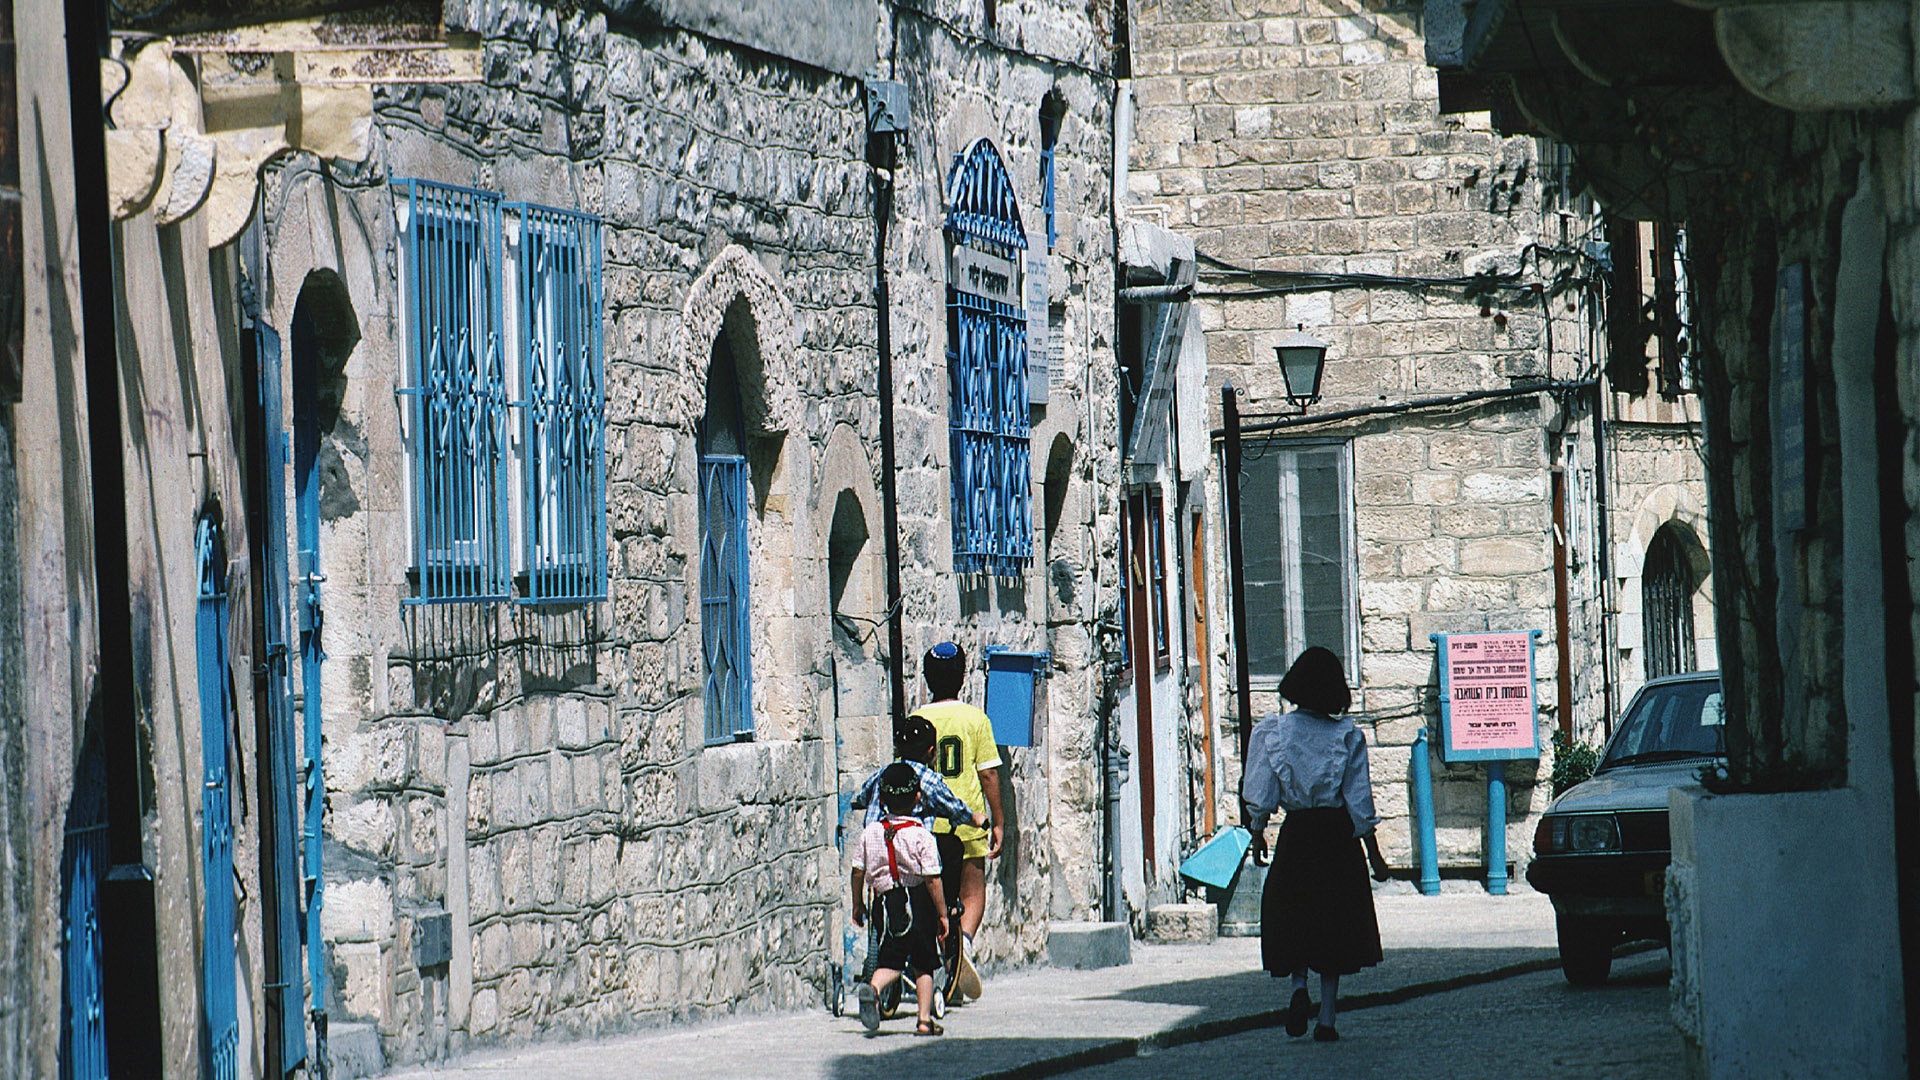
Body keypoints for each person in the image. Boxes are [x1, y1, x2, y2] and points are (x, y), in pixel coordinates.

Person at [1241, 646, 1392, 1043]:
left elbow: (1262, 790)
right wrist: (1375, 856)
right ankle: (1326, 1019)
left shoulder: (1273, 732)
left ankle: (1297, 988)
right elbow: (1359, 801)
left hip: (1298, 835)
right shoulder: (1347, 736)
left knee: (1296, 914)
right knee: (1334, 924)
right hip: (1336, 838)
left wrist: (1258, 831)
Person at [913, 641, 1004, 1002]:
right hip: (967, 821)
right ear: (963, 678)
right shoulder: (975, 720)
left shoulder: (918, 719)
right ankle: (962, 944)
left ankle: (936, 961)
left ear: (927, 679)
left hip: (927, 825)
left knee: (929, 896)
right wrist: (998, 821)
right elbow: (989, 775)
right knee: (972, 892)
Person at [851, 762, 950, 1036]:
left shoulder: (870, 833)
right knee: (924, 962)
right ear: (918, 797)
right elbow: (932, 879)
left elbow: (857, 871)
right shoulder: (922, 836)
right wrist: (942, 914)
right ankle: (923, 1020)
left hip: (885, 902)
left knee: (891, 959)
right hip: (917, 902)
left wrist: (857, 903)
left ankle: (873, 988)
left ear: (881, 799)